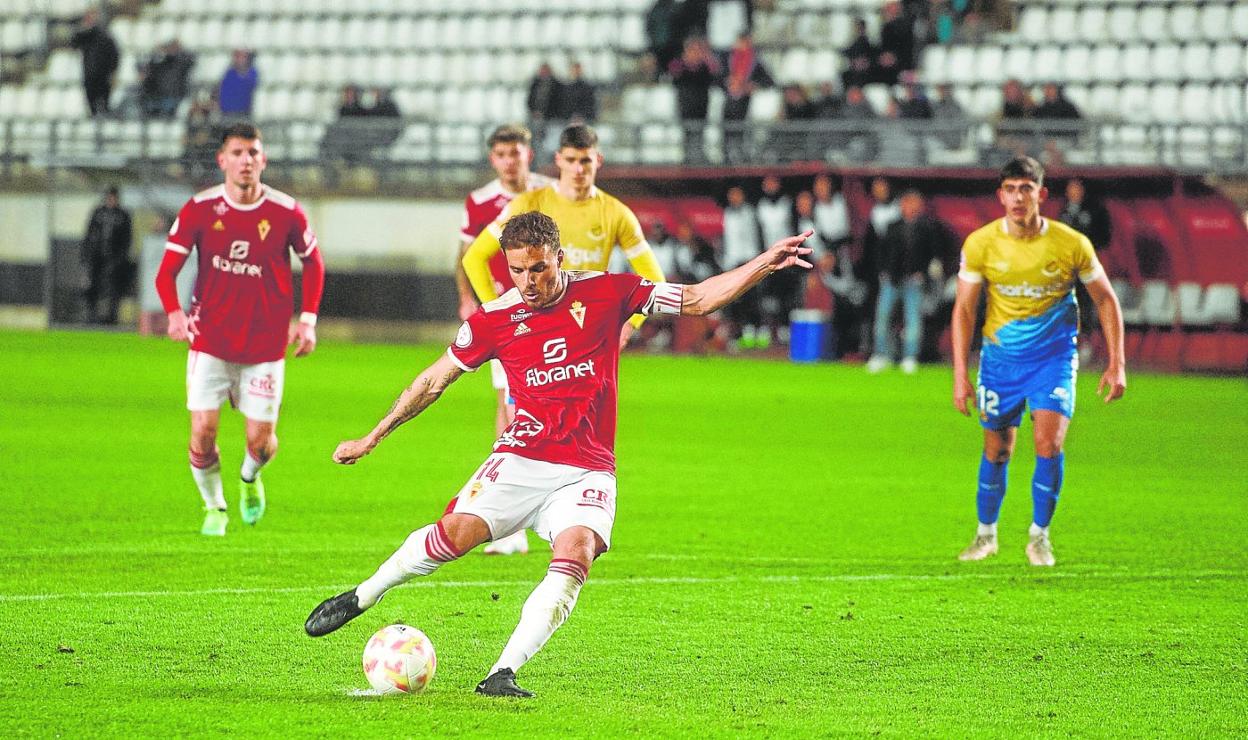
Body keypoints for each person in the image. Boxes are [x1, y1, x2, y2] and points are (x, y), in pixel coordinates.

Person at [303, 210, 814, 698]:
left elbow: (698, 298)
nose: (528, 280)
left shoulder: (611, 291)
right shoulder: (494, 318)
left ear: (559, 257)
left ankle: (503, 671)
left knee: (577, 551)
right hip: (522, 457)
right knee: (456, 535)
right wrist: (375, 435)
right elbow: (434, 380)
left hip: (588, 466)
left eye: (539, 268)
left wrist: (763, 262)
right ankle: (362, 596)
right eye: (517, 270)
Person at [951, 157, 1126, 567]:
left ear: (1041, 195)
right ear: (1000, 195)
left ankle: (1039, 536)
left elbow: (1105, 299)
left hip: (1053, 359)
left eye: (1026, 189)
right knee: (997, 450)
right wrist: (961, 374)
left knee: (1049, 444)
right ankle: (986, 534)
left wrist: (1117, 363)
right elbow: (963, 311)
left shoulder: (1071, 244)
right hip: (1000, 362)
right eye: (1010, 189)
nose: (1017, 197)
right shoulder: (981, 244)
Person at [154, 122, 326, 537]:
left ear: (263, 159)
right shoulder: (199, 209)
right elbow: (166, 273)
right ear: (222, 160)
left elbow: (315, 264)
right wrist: (175, 315)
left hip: (265, 346)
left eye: (253, 153)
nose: (246, 161)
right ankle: (214, 507)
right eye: (237, 153)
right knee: (202, 432)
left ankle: (249, 479)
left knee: (261, 443)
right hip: (211, 341)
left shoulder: (287, 211)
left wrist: (307, 320)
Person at [463, 123, 667, 352]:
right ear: (558, 159)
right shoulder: (528, 204)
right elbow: (474, 257)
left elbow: (654, 278)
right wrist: (497, 314)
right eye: (571, 160)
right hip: (533, 327)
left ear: (598, 159)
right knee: (515, 390)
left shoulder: (617, 213)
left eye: (585, 161)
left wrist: (629, 326)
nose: (578, 169)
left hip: (588, 329)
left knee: (593, 390)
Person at [454, 124, 554, 556]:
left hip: (555, 312)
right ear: (493, 159)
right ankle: (510, 520)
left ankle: (552, 504)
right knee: (511, 404)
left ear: (529, 153)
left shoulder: (552, 193)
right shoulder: (479, 201)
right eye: (501, 154)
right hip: (512, 319)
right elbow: (465, 255)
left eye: (516, 152)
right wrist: (473, 301)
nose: (510, 160)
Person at [866, 190, 953, 373]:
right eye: (907, 203)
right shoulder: (892, 226)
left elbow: (936, 254)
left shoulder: (929, 228)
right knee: (883, 318)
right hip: (891, 279)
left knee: (913, 320)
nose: (911, 207)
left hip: (914, 281)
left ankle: (910, 356)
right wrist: (883, 272)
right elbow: (880, 252)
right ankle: (882, 355)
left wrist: (925, 273)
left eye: (914, 203)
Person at [80, 186, 133, 324]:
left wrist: (120, 259)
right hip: (97, 258)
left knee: (114, 289)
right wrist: (86, 255)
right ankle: (92, 316)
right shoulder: (98, 213)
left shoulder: (123, 215)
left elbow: (126, 239)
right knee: (93, 287)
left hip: (115, 260)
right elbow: (89, 235)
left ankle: (111, 317)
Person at [720, 184, 764, 347]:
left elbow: (755, 238)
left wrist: (752, 260)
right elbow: (728, 240)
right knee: (733, 301)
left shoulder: (750, 212)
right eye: (732, 195)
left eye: (737, 195)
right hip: (732, 263)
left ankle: (754, 332)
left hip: (748, 261)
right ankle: (737, 334)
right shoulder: (727, 214)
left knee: (751, 299)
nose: (734, 198)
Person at [70, 9, 120, 116]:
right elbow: (73, 44)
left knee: (104, 104)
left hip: (103, 75)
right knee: (91, 104)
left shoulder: (105, 36)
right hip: (89, 74)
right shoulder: (85, 35)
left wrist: (113, 72)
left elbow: (114, 55)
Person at [218, 49, 257, 118]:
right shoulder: (229, 73)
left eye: (242, 57)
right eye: (237, 56)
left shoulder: (252, 73)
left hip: (244, 113)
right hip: (226, 113)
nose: (238, 59)